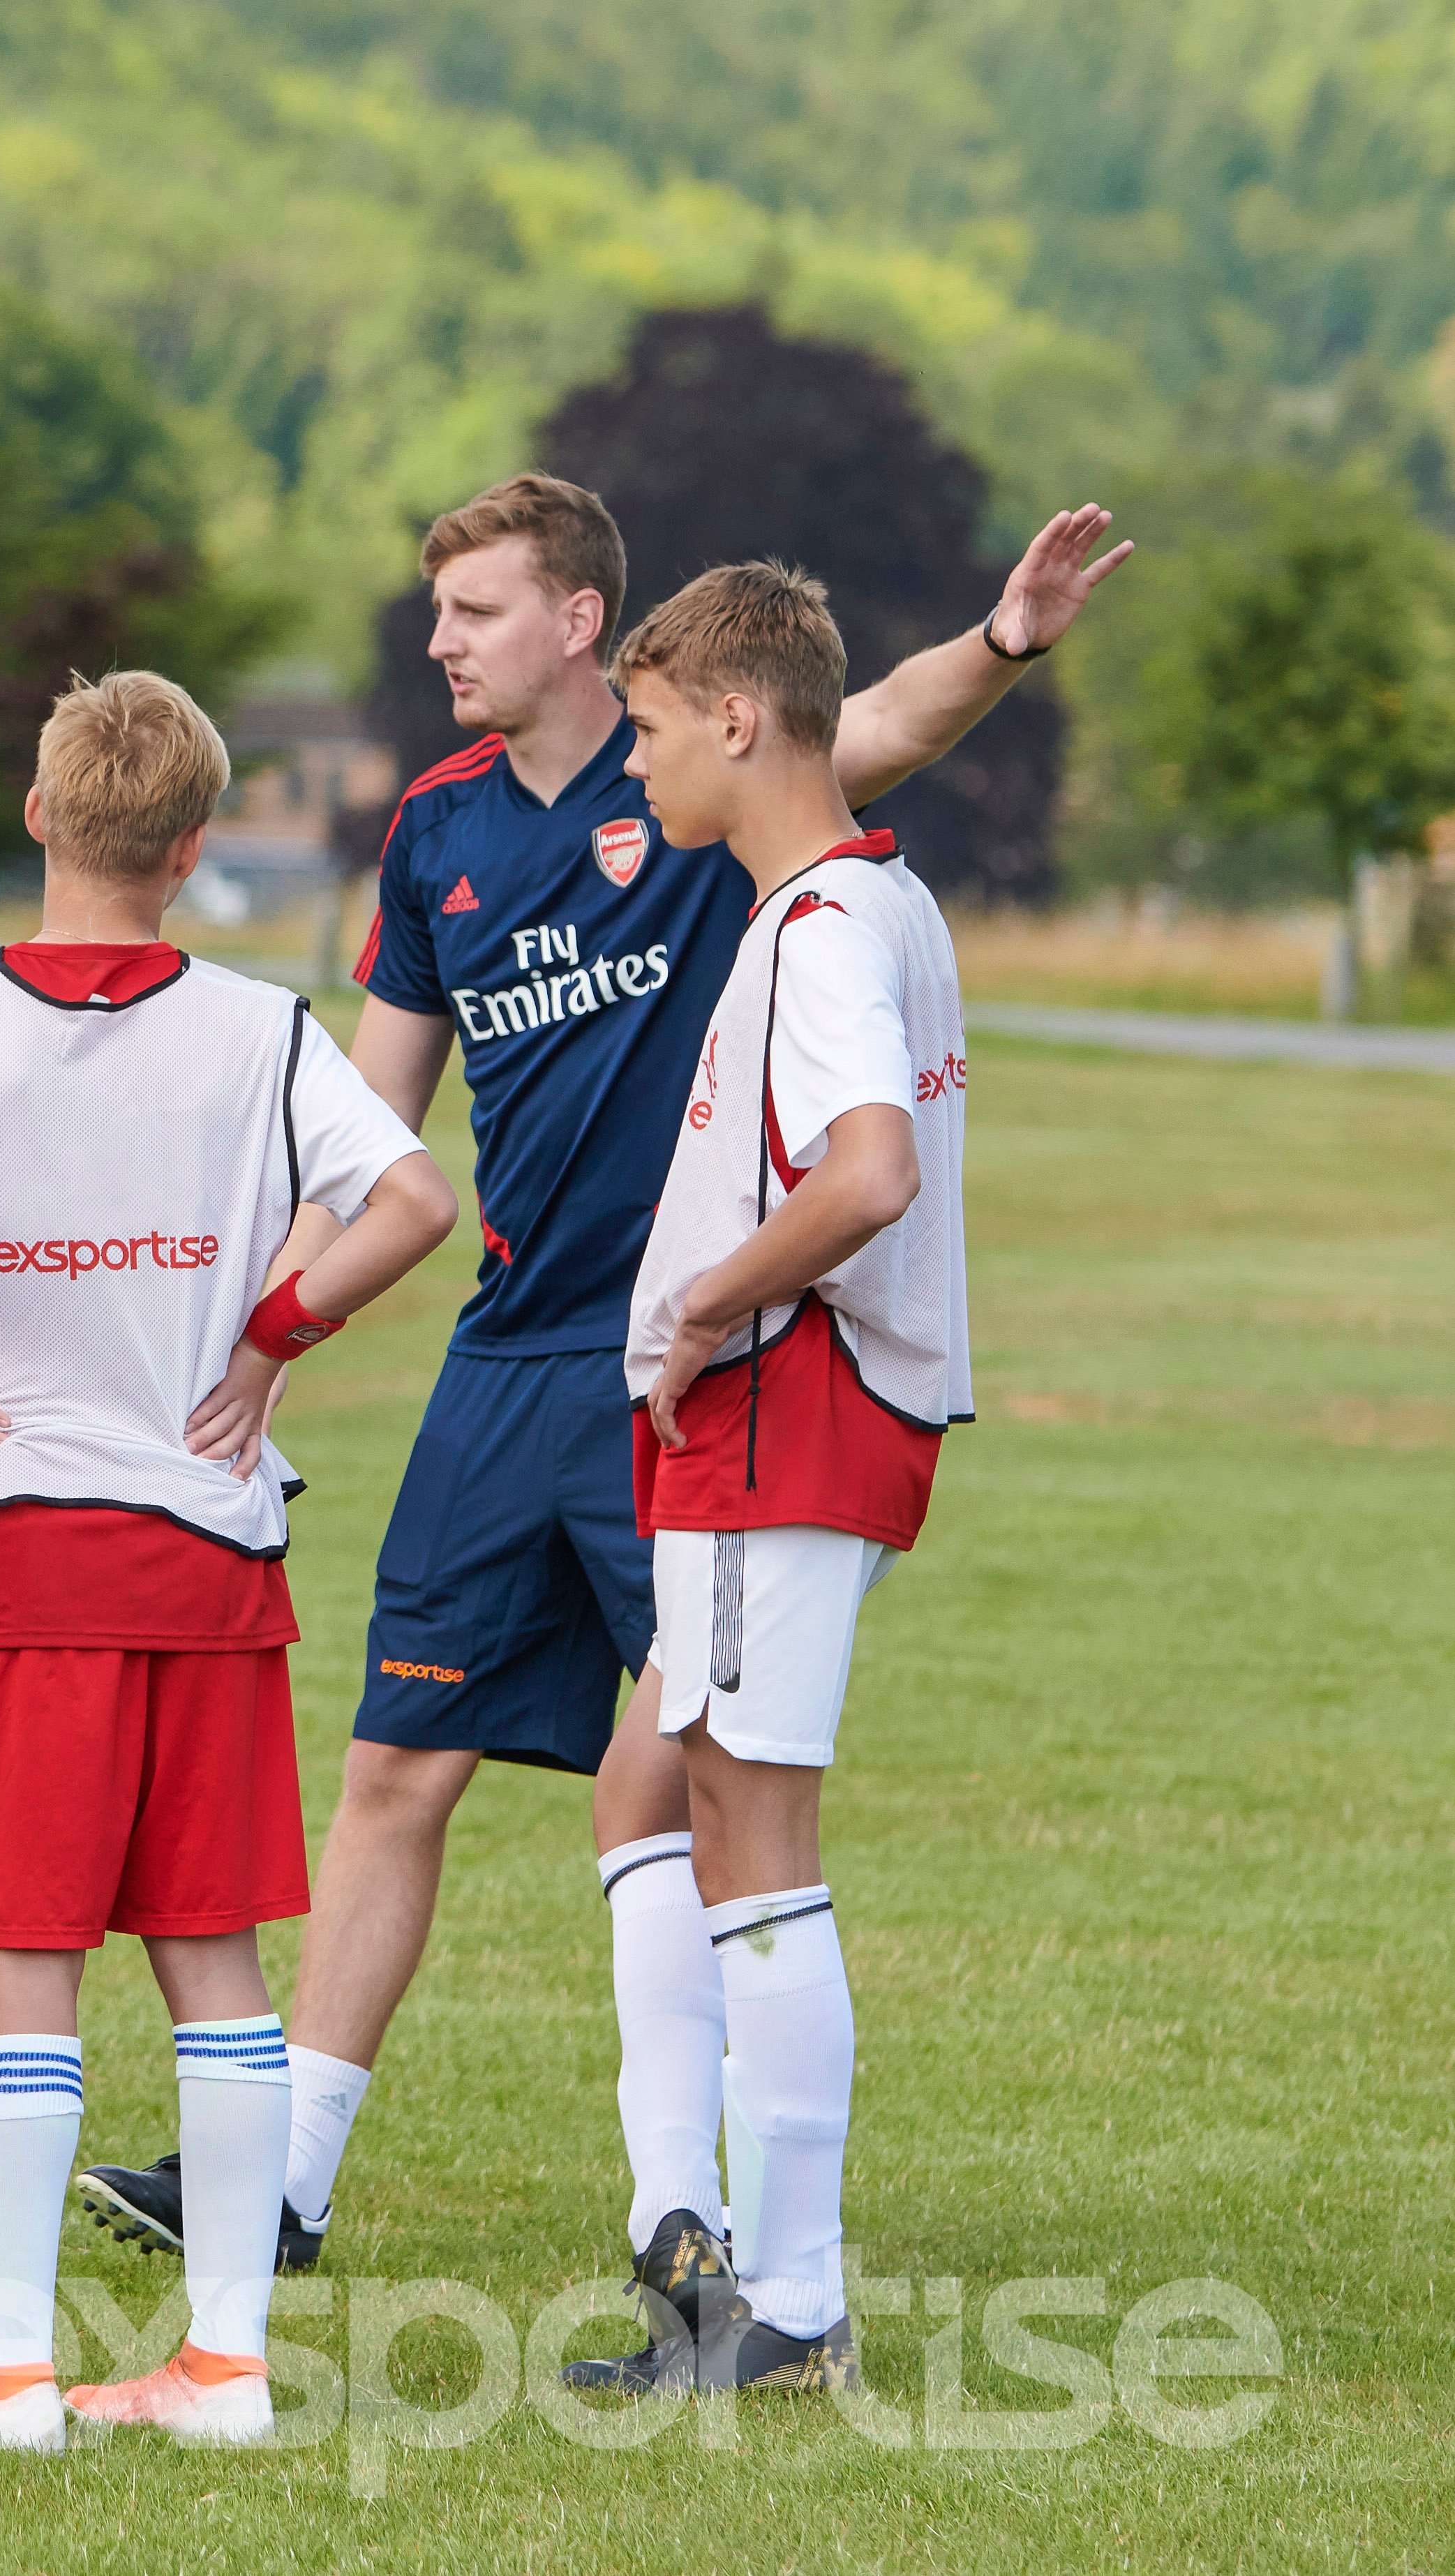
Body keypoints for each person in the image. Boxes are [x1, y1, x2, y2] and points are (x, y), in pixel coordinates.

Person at [76, 476, 1122, 2279]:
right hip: (504, 1358)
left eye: (470, 610)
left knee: (685, 1791)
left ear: (575, 619)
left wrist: (1007, 640)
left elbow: (857, 725)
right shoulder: (432, 831)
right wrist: (230, 1295)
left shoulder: (712, 798)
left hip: (689, 1372)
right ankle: (287, 2173)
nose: (437, 642)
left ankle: (701, 2213)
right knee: (397, 1760)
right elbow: (361, 1115)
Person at [0, 673, 455, 2453]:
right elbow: (418, 1200)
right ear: (197, 845)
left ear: (36, 815)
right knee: (208, 1961)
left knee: (20, 1962)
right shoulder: (263, 1028)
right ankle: (219, 2364)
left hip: (12, 1558)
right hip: (205, 1548)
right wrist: (270, 1334)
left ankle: (4, 2370)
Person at [562, 563, 971, 2395]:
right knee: (640, 1789)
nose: (630, 763)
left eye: (644, 728)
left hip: (776, 1423)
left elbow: (864, 1168)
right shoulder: (873, 898)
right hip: (810, 1423)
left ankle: (781, 2293)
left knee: (746, 1827)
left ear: (734, 719)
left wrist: (706, 1304)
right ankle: (687, 2239)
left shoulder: (814, 926)